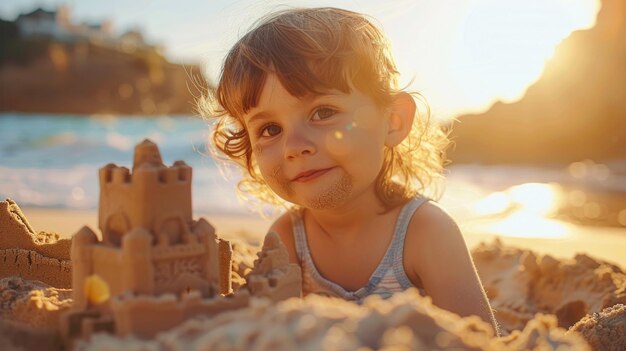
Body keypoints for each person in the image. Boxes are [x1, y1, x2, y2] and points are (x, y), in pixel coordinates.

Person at [199, 7, 498, 332]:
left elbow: (478, 339)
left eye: (323, 112)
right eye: (270, 129)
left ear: (392, 122)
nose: (294, 146)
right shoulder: (287, 239)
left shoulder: (425, 233)